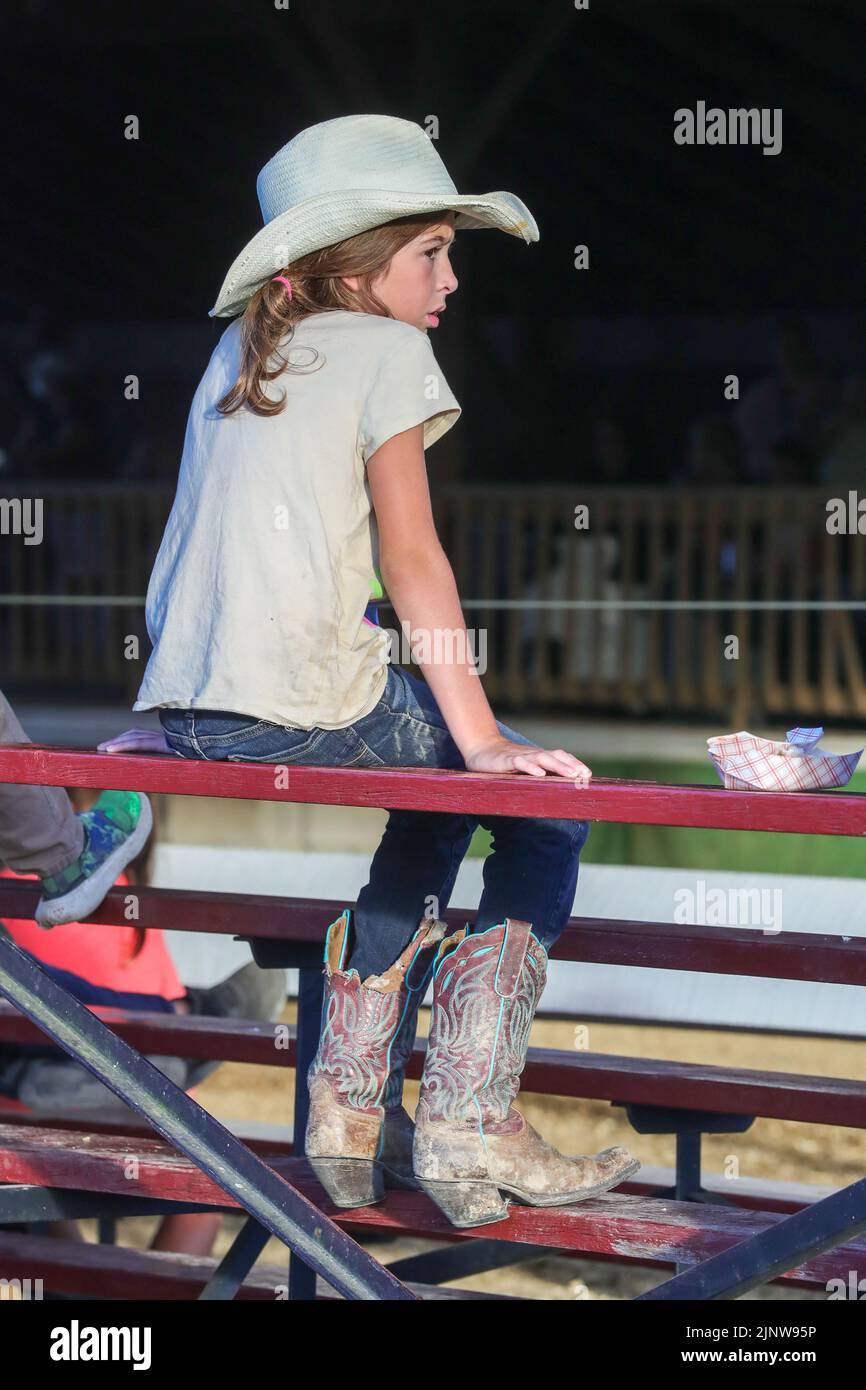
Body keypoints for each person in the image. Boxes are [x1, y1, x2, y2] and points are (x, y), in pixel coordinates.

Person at [116, 114, 640, 1229]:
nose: (449, 279)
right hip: (305, 700)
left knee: (434, 801)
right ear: (356, 272)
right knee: (539, 813)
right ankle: (465, 1107)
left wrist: (168, 705)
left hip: (206, 707)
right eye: (430, 254)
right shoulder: (389, 350)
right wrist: (487, 736)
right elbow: (414, 560)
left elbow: (195, 542)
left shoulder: (239, 351)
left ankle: (350, 1108)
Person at [0, 782, 286, 1255]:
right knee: (212, 1181)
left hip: (34, 1097)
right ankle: (186, 1027)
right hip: (126, 1103)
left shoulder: (18, 891)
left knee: (33, 1188)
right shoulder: (112, 890)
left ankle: (80, 1295)